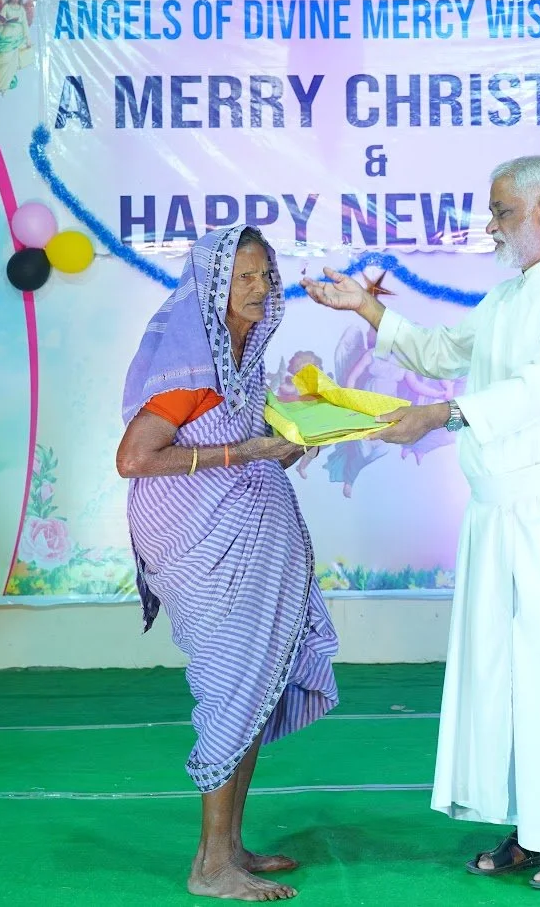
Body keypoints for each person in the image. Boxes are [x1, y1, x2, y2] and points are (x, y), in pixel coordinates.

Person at [303, 155, 540, 892]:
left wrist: (442, 414)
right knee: (507, 677)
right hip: (498, 513)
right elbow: (444, 352)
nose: (491, 225)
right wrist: (366, 309)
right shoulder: (509, 297)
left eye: (501, 211)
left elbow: (537, 389)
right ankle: (536, 829)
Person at [116, 225, 338, 902]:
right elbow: (134, 459)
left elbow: (247, 449)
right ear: (213, 287)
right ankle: (210, 867)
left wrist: (293, 442)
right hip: (195, 541)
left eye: (266, 274)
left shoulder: (245, 358)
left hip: (246, 536)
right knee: (231, 687)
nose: (260, 287)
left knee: (254, 684)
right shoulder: (190, 365)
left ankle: (231, 846)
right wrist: (244, 454)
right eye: (243, 276)